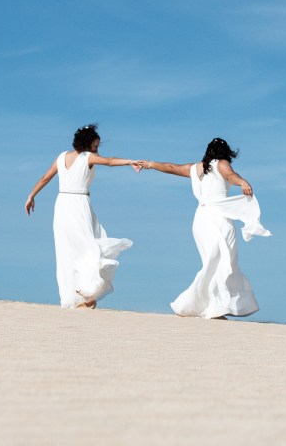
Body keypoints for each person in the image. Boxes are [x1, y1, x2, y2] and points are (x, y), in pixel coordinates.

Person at [138, 138, 271, 319]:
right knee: (221, 260)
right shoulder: (221, 163)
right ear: (225, 153)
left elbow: (170, 167)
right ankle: (206, 306)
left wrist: (149, 164)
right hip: (219, 217)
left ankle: (213, 306)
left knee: (214, 260)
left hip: (201, 218)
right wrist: (242, 182)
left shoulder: (195, 168)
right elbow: (231, 175)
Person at [25, 124, 139, 309]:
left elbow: (45, 178)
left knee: (69, 251)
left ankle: (79, 297)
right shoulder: (88, 157)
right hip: (78, 205)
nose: (97, 149)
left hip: (62, 205)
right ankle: (87, 292)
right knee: (88, 248)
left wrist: (31, 196)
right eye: (95, 145)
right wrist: (129, 161)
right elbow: (109, 161)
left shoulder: (62, 157)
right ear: (88, 144)